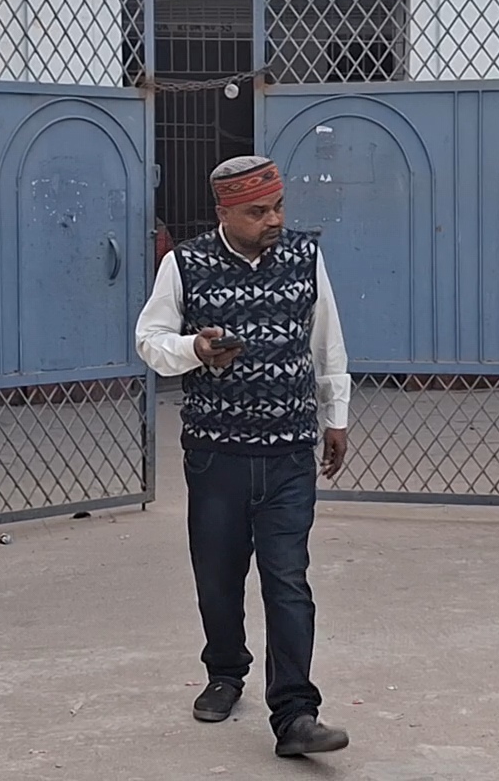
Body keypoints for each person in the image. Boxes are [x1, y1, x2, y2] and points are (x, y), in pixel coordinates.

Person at [133, 155, 353, 759]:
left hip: (289, 454)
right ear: (224, 213)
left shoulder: (306, 257)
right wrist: (195, 348)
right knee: (218, 576)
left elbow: (327, 340)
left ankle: (296, 713)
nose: (273, 220)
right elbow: (150, 340)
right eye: (258, 211)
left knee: (288, 580)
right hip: (216, 456)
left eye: (278, 207)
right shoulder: (185, 264)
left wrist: (335, 416)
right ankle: (225, 673)